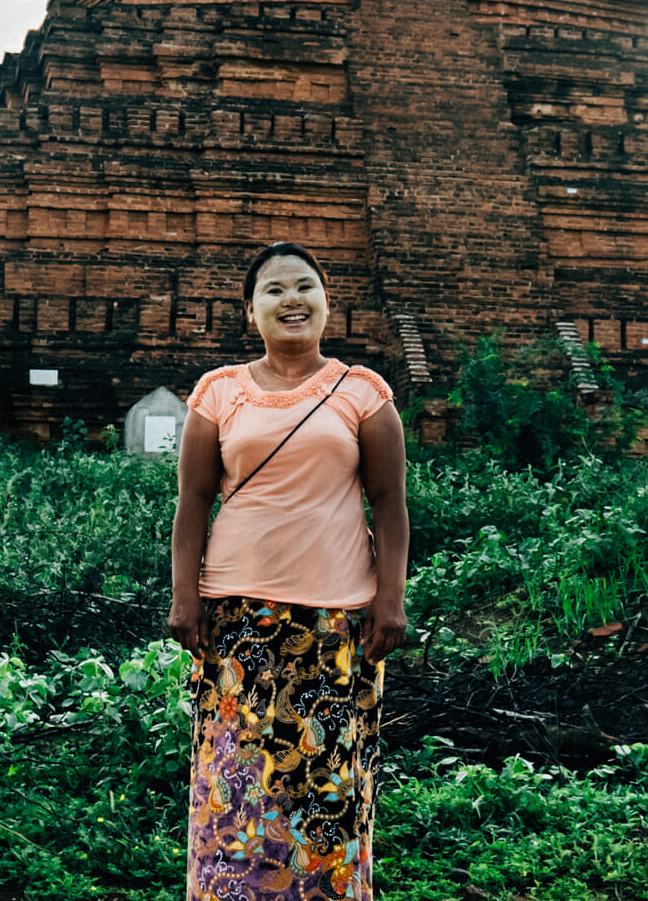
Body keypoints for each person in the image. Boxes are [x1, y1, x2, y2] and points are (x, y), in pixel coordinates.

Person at [168, 241, 409, 901]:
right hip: (236, 620)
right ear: (251, 311)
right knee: (234, 785)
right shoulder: (218, 392)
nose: (291, 299)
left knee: (326, 791)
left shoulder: (363, 391)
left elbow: (389, 503)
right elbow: (193, 501)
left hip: (333, 624)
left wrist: (391, 600)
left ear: (327, 302)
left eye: (305, 286)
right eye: (274, 290)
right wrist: (183, 597)